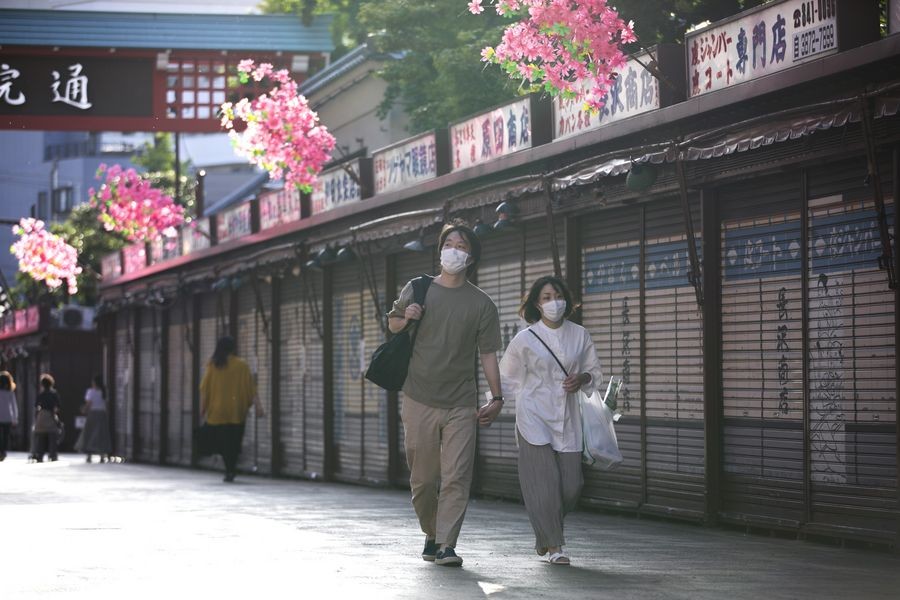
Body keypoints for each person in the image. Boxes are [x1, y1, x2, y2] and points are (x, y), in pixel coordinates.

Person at [387, 221, 504, 567]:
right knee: (423, 480)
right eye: (449, 243)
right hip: (418, 395)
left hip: (461, 401)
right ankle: (433, 531)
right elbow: (392, 324)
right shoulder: (419, 288)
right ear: (440, 251)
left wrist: (496, 399)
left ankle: (447, 544)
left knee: (456, 475)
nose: (454, 249)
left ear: (471, 256)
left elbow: (487, 354)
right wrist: (405, 317)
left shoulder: (482, 304)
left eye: (462, 245)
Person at [499, 276, 603, 565]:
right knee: (544, 482)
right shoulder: (524, 339)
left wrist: (582, 378)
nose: (553, 301)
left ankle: (545, 532)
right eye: (545, 297)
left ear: (566, 300)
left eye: (557, 295)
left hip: (568, 417)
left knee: (571, 486)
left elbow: (594, 372)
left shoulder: (580, 334)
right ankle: (556, 546)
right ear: (536, 303)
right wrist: (493, 403)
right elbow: (506, 377)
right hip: (533, 415)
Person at [199, 336, 265, 482]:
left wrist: (203, 409)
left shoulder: (213, 365)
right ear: (233, 348)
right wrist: (259, 406)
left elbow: (205, 390)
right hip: (236, 412)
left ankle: (229, 469)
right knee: (234, 442)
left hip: (217, 413)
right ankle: (231, 469)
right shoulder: (242, 365)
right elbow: (251, 388)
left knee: (222, 442)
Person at [79, 374, 112, 463]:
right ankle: (102, 455)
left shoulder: (91, 392)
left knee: (89, 434)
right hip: (102, 414)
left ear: (94, 382)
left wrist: (84, 410)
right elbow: (106, 404)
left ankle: (89, 455)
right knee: (101, 435)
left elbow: (89, 404)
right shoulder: (104, 392)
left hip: (93, 414)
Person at [33, 373, 61, 462]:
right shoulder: (54, 394)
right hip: (51, 414)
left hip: (42, 415)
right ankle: (53, 455)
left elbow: (36, 405)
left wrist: (37, 415)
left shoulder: (41, 394)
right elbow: (58, 406)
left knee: (40, 437)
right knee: (52, 436)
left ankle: (39, 455)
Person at [0, 371, 18, 461]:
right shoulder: (10, 393)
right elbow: (14, 406)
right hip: (8, 417)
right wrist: (15, 418)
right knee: (5, 436)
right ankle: (3, 452)